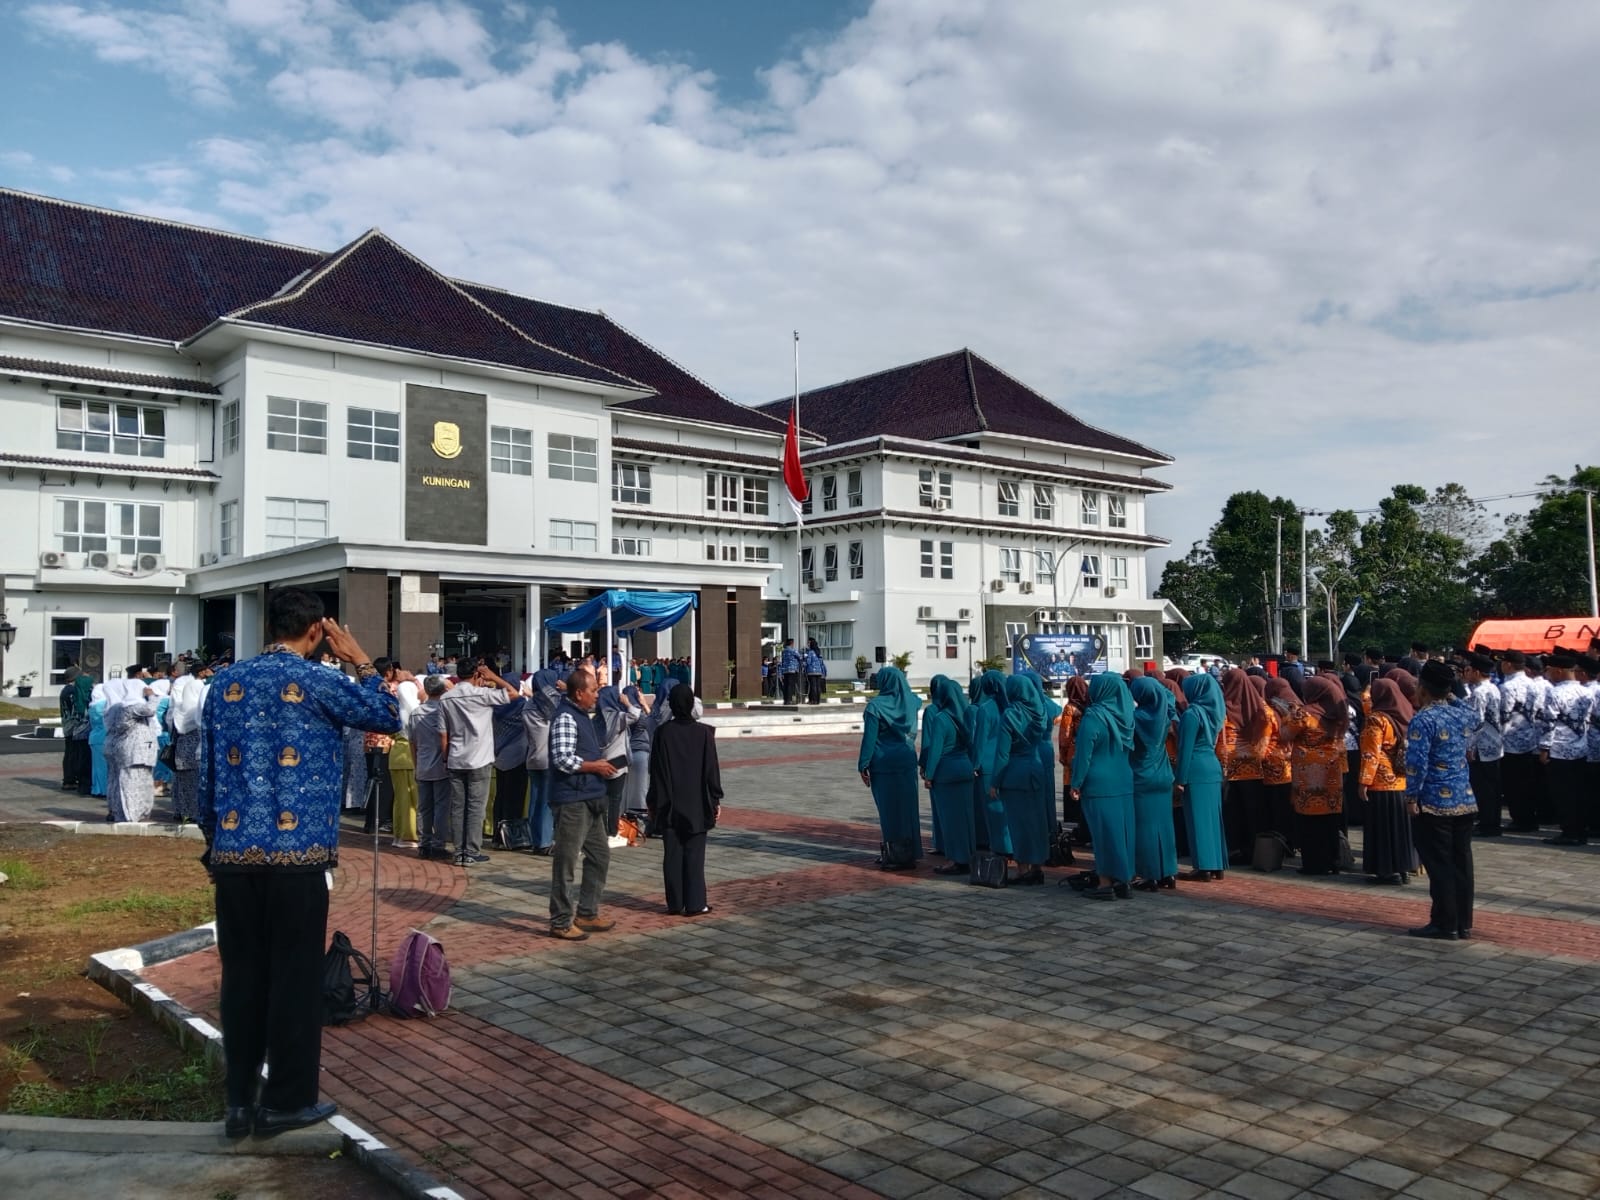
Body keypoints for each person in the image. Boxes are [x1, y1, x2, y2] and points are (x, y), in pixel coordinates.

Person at [198, 588, 401, 1136]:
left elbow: (208, 772)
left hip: (235, 855)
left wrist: (214, 842)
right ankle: (287, 1101)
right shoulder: (321, 679)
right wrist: (360, 658)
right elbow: (387, 714)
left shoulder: (225, 683)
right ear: (317, 632)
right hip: (298, 859)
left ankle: (240, 1101)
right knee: (293, 977)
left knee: (240, 978)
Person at [1405, 660, 1479, 939]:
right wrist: (1450, 693)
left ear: (1423, 688)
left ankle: (1444, 923)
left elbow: (1416, 763)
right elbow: (1474, 716)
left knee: (1440, 865)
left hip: (1434, 802)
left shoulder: (1423, 719)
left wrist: (1411, 796)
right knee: (1462, 864)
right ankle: (1463, 923)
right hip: (1464, 797)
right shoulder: (1460, 716)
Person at [547, 667, 620, 940]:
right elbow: (562, 758)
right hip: (572, 800)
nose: (597, 695)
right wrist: (593, 766)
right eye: (593, 690)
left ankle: (587, 912)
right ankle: (561, 920)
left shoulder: (582, 715)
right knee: (566, 862)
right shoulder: (566, 716)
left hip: (590, 797)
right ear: (579, 693)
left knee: (600, 855)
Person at [647, 683, 723, 915]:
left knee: (672, 855)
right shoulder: (703, 733)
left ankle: (675, 902)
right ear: (691, 704)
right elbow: (712, 770)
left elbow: (656, 771)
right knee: (694, 854)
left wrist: (653, 802)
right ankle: (695, 902)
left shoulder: (663, 733)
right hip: (697, 802)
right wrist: (715, 798)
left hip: (669, 802)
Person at [438, 659, 518, 866]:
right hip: (480, 757)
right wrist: (493, 676)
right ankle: (471, 850)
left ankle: (459, 851)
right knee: (475, 807)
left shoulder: (446, 698)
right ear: (475, 675)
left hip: (456, 756)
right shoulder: (482, 695)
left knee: (458, 807)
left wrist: (446, 757)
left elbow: (443, 734)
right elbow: (513, 693)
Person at [1067, 673, 1136, 899]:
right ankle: (1123, 879)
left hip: (1099, 783)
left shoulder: (1094, 717)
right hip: (1123, 780)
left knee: (1103, 834)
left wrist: (1076, 783)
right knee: (1122, 833)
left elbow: (1084, 755)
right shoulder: (1127, 716)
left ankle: (1105, 883)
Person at [988, 674, 1050, 885]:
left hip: (1015, 771)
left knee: (1018, 822)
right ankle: (1037, 866)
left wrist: (995, 782)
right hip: (1036, 767)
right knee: (1036, 821)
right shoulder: (1039, 712)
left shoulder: (1010, 714)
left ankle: (1023, 869)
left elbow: (1003, 753)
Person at [858, 665, 922, 868]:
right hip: (907, 759)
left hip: (884, 764)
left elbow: (870, 739)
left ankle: (895, 854)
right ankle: (911, 852)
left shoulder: (875, 707)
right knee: (908, 809)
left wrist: (863, 764)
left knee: (889, 811)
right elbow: (916, 699)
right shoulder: (912, 702)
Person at [1286, 675, 1349, 875]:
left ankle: (1314, 863)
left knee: (1310, 821)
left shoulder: (1304, 714)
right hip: (1332, 771)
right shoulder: (1338, 714)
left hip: (1308, 774)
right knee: (1330, 819)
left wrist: (1289, 714)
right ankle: (1333, 860)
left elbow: (1286, 733)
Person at [1360, 679, 1416, 885]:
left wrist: (1364, 781)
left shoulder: (1376, 719)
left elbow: (1370, 753)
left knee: (1383, 827)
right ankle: (1403, 869)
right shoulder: (1404, 714)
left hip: (1381, 780)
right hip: (1401, 779)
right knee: (1399, 828)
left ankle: (1385, 871)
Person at [921, 675, 976, 874]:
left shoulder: (941, 719)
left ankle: (955, 859)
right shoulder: (966, 715)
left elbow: (935, 750)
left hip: (946, 773)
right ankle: (969, 855)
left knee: (950, 819)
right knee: (966, 817)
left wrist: (929, 775)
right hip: (965, 769)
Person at [1128, 675, 1178, 891]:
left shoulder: (1136, 717)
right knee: (1165, 826)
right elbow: (1169, 696)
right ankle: (1168, 871)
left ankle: (1149, 874)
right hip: (1163, 774)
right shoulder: (1164, 715)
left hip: (1141, 775)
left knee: (1145, 827)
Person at [1176, 673, 1227, 881]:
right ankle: (1217, 864)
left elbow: (1185, 749)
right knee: (1214, 819)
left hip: (1195, 768)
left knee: (1197, 819)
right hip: (1212, 766)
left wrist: (1180, 778)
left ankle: (1203, 866)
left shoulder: (1191, 714)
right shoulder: (1214, 712)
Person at [1540, 652, 1594, 846]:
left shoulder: (1554, 693)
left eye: (1550, 670)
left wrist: (1544, 748)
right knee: (1580, 793)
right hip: (1581, 747)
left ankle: (1569, 832)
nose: (1548, 674)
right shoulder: (1586, 691)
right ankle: (1580, 831)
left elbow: (1549, 724)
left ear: (1559, 670)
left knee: (1563, 794)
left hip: (1560, 750)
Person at [1220, 667, 1271, 864]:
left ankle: (1236, 850)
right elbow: (1266, 737)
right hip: (1253, 769)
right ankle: (1255, 852)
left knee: (1234, 813)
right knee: (1254, 813)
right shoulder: (1260, 708)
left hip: (1230, 769)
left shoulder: (1223, 707)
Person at [105, 671, 161, 822]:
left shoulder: (117, 708)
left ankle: (135, 812)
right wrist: (152, 695)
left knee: (140, 784)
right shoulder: (129, 707)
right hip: (134, 752)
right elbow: (150, 709)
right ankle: (131, 815)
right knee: (130, 784)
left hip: (138, 750)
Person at [968, 670, 1012, 860]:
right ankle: (1011, 845)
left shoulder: (986, 709)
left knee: (992, 811)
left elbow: (980, 740)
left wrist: (974, 764)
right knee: (1006, 809)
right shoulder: (1011, 706)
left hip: (987, 764)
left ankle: (1000, 848)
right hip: (1007, 762)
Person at [1497, 651, 1541, 832]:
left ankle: (1520, 820)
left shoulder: (1508, 687)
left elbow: (1504, 717)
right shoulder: (1533, 684)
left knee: (1513, 785)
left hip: (1511, 742)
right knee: (1527, 783)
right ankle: (1528, 818)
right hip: (1530, 739)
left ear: (1508, 664)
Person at [410, 675, 452, 860]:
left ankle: (424, 843)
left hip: (423, 763)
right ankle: (438, 844)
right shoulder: (445, 710)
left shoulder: (416, 713)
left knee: (424, 807)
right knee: (442, 807)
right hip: (441, 764)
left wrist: (415, 764)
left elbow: (412, 742)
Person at [1462, 653, 1504, 837]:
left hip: (1482, 745)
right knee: (1493, 787)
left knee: (1483, 787)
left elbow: (1476, 721)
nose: (1467, 673)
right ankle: (1492, 821)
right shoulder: (1493, 688)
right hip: (1494, 742)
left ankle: (1487, 824)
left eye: (1470, 670)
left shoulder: (1479, 692)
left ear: (1477, 672)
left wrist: (1469, 746)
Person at [169, 661, 208, 822]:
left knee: (182, 782)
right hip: (191, 752)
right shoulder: (194, 713)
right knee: (192, 783)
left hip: (181, 751)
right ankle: (191, 813)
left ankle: (180, 811)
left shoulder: (180, 710)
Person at [59, 666, 90, 791]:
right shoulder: (72, 691)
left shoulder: (65, 690)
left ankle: (69, 778)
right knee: (72, 753)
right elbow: (76, 709)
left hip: (67, 724)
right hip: (72, 725)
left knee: (70, 752)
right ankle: (69, 779)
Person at [87, 682, 109, 799]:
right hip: (104, 738)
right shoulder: (104, 705)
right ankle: (105, 790)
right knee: (105, 767)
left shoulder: (92, 706)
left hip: (94, 738)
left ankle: (96, 788)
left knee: (96, 766)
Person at [803, 639, 827, 705]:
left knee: (813, 687)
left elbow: (808, 662)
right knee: (818, 687)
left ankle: (813, 700)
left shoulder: (810, 652)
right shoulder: (819, 652)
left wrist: (805, 659)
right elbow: (821, 662)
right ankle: (817, 700)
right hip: (819, 672)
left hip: (811, 672)